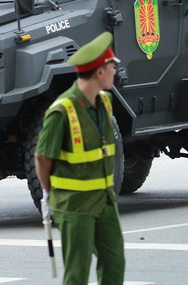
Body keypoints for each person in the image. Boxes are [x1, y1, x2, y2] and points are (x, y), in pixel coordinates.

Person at [35, 32, 125, 285]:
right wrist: (49, 192)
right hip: (74, 206)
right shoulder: (61, 111)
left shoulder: (105, 102)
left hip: (105, 201)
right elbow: (42, 158)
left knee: (114, 263)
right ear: (99, 72)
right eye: (111, 67)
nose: (114, 72)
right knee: (78, 272)